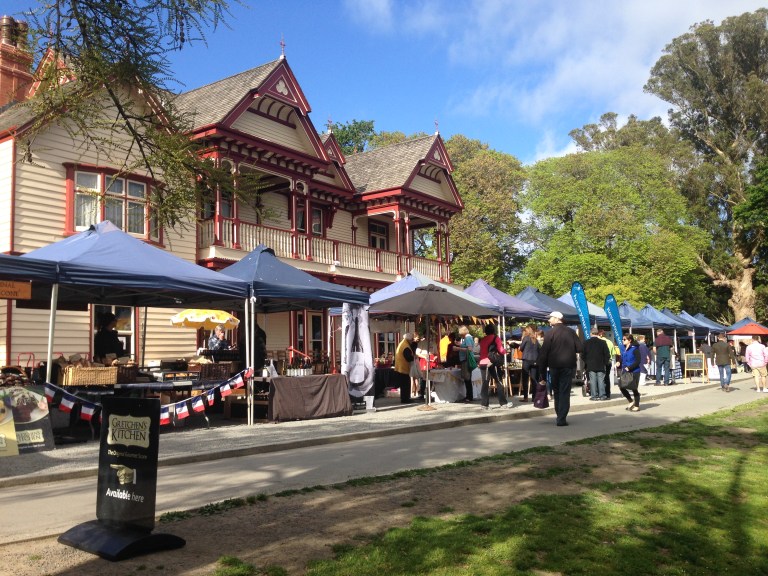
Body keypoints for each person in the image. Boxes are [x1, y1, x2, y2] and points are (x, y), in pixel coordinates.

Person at [538, 311, 583, 427]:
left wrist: (541, 372)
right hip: (568, 366)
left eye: (551, 318)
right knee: (564, 391)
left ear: (558, 319)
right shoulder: (571, 332)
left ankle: (559, 416)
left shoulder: (550, 333)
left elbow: (544, 353)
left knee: (557, 391)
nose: (549, 320)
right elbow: (579, 348)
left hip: (554, 366)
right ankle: (561, 418)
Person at [478, 324, 511, 410]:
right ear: (494, 330)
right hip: (492, 362)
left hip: (482, 363)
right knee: (499, 382)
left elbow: (481, 351)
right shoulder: (496, 338)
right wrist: (506, 351)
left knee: (485, 383)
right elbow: (500, 350)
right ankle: (503, 403)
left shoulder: (482, 340)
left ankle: (484, 404)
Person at [583, 327, 610, 401]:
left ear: (591, 333)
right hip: (601, 364)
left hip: (591, 365)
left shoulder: (586, 343)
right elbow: (607, 355)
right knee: (601, 380)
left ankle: (594, 396)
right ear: (598, 334)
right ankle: (602, 395)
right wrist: (604, 362)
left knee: (593, 381)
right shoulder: (603, 342)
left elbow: (583, 355)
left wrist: (587, 362)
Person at [618, 334, 642, 411]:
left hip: (634, 371)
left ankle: (637, 406)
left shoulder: (635, 349)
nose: (623, 340)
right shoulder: (624, 348)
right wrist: (619, 362)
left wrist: (630, 367)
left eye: (624, 339)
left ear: (629, 340)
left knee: (634, 389)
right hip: (625, 371)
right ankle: (631, 401)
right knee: (621, 386)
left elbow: (638, 361)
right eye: (623, 339)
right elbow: (622, 357)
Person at [518, 324, 540, 402]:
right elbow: (539, 350)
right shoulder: (535, 339)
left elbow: (521, 348)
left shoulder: (526, 338)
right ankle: (534, 397)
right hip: (534, 361)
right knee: (534, 379)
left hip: (526, 360)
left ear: (527, 331)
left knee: (525, 379)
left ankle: (526, 397)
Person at [394, 333, 415, 404]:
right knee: (406, 384)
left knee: (404, 384)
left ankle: (404, 398)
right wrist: (413, 357)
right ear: (409, 339)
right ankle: (405, 399)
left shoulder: (402, 343)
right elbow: (408, 357)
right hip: (403, 368)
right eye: (412, 339)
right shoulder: (406, 346)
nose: (412, 341)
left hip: (400, 367)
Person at [456, 325, 475, 402]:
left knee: (467, 378)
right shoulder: (468, 338)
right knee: (467, 379)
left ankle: (469, 397)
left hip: (466, 360)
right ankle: (468, 395)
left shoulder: (467, 338)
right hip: (465, 359)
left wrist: (458, 348)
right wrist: (460, 345)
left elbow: (469, 349)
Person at [597, 329, 618, 399]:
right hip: (609, 362)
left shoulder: (599, 342)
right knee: (607, 378)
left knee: (600, 378)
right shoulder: (610, 342)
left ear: (600, 335)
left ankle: (601, 393)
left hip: (601, 362)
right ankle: (608, 394)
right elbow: (613, 353)